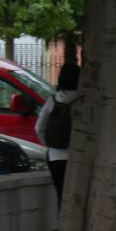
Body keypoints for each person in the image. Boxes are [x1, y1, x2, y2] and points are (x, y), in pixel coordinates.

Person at [34, 63, 80, 208]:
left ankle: (62, 226)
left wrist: (49, 144)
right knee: (76, 197)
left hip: (55, 156)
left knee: (61, 194)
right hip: (77, 157)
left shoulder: (52, 100)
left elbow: (38, 127)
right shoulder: (83, 101)